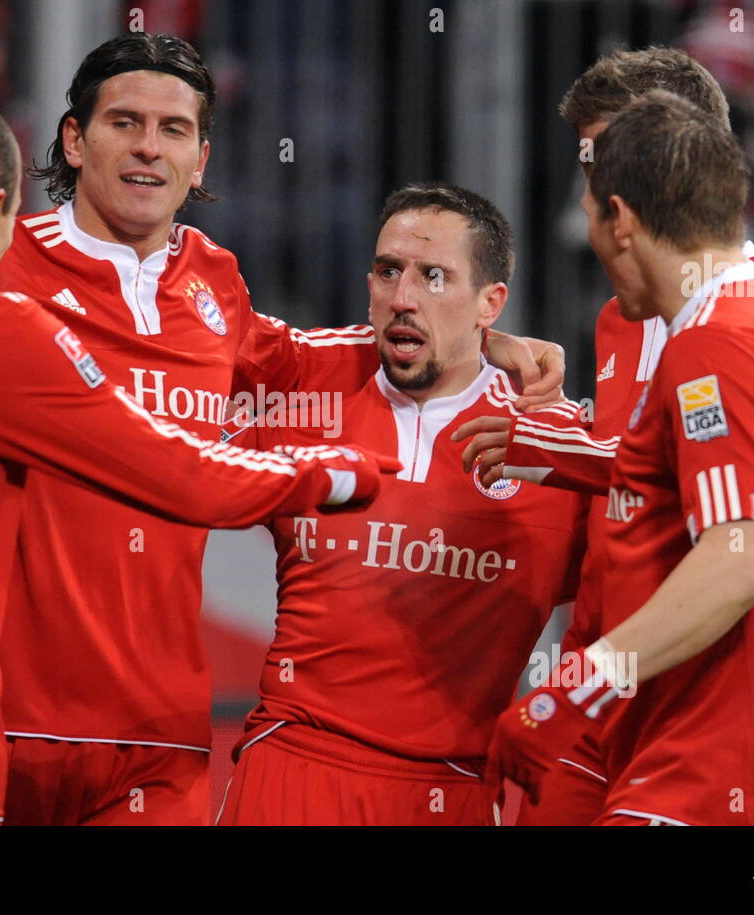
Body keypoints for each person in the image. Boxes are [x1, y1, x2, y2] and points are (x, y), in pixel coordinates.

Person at [0, 33, 566, 825]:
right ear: (75, 141)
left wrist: (488, 340)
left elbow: (326, 351)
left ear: (202, 159)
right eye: (124, 124)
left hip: (156, 739)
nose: (149, 148)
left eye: (174, 130)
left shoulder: (215, 286)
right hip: (2, 717)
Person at [455, 46, 754, 826]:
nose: (592, 189)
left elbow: (749, 534)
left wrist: (578, 680)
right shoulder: (646, 317)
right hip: (634, 689)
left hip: (698, 709)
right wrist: (557, 443)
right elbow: (687, 470)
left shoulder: (739, 324)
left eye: (612, 159)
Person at [216, 183, 585, 825]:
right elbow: (172, 374)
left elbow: (636, 595)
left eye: (434, 276)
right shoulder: (306, 389)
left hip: (454, 791)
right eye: (389, 272)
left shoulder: (557, 447)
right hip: (292, 767)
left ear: (490, 302)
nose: (403, 298)